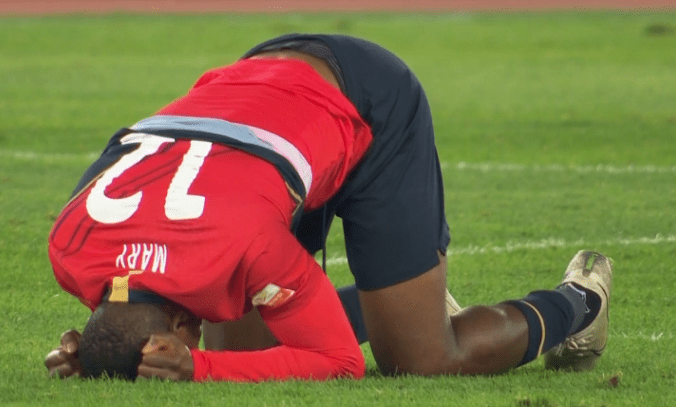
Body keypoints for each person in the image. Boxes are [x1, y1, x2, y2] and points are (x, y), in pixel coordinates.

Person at [45, 33, 612, 381]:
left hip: (364, 101)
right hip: (258, 106)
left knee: (423, 359)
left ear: (175, 325)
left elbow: (340, 362)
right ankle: (397, 305)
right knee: (252, 351)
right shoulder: (69, 247)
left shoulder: (245, 246)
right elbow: (122, 162)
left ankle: (580, 303)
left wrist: (198, 366)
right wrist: (101, 349)